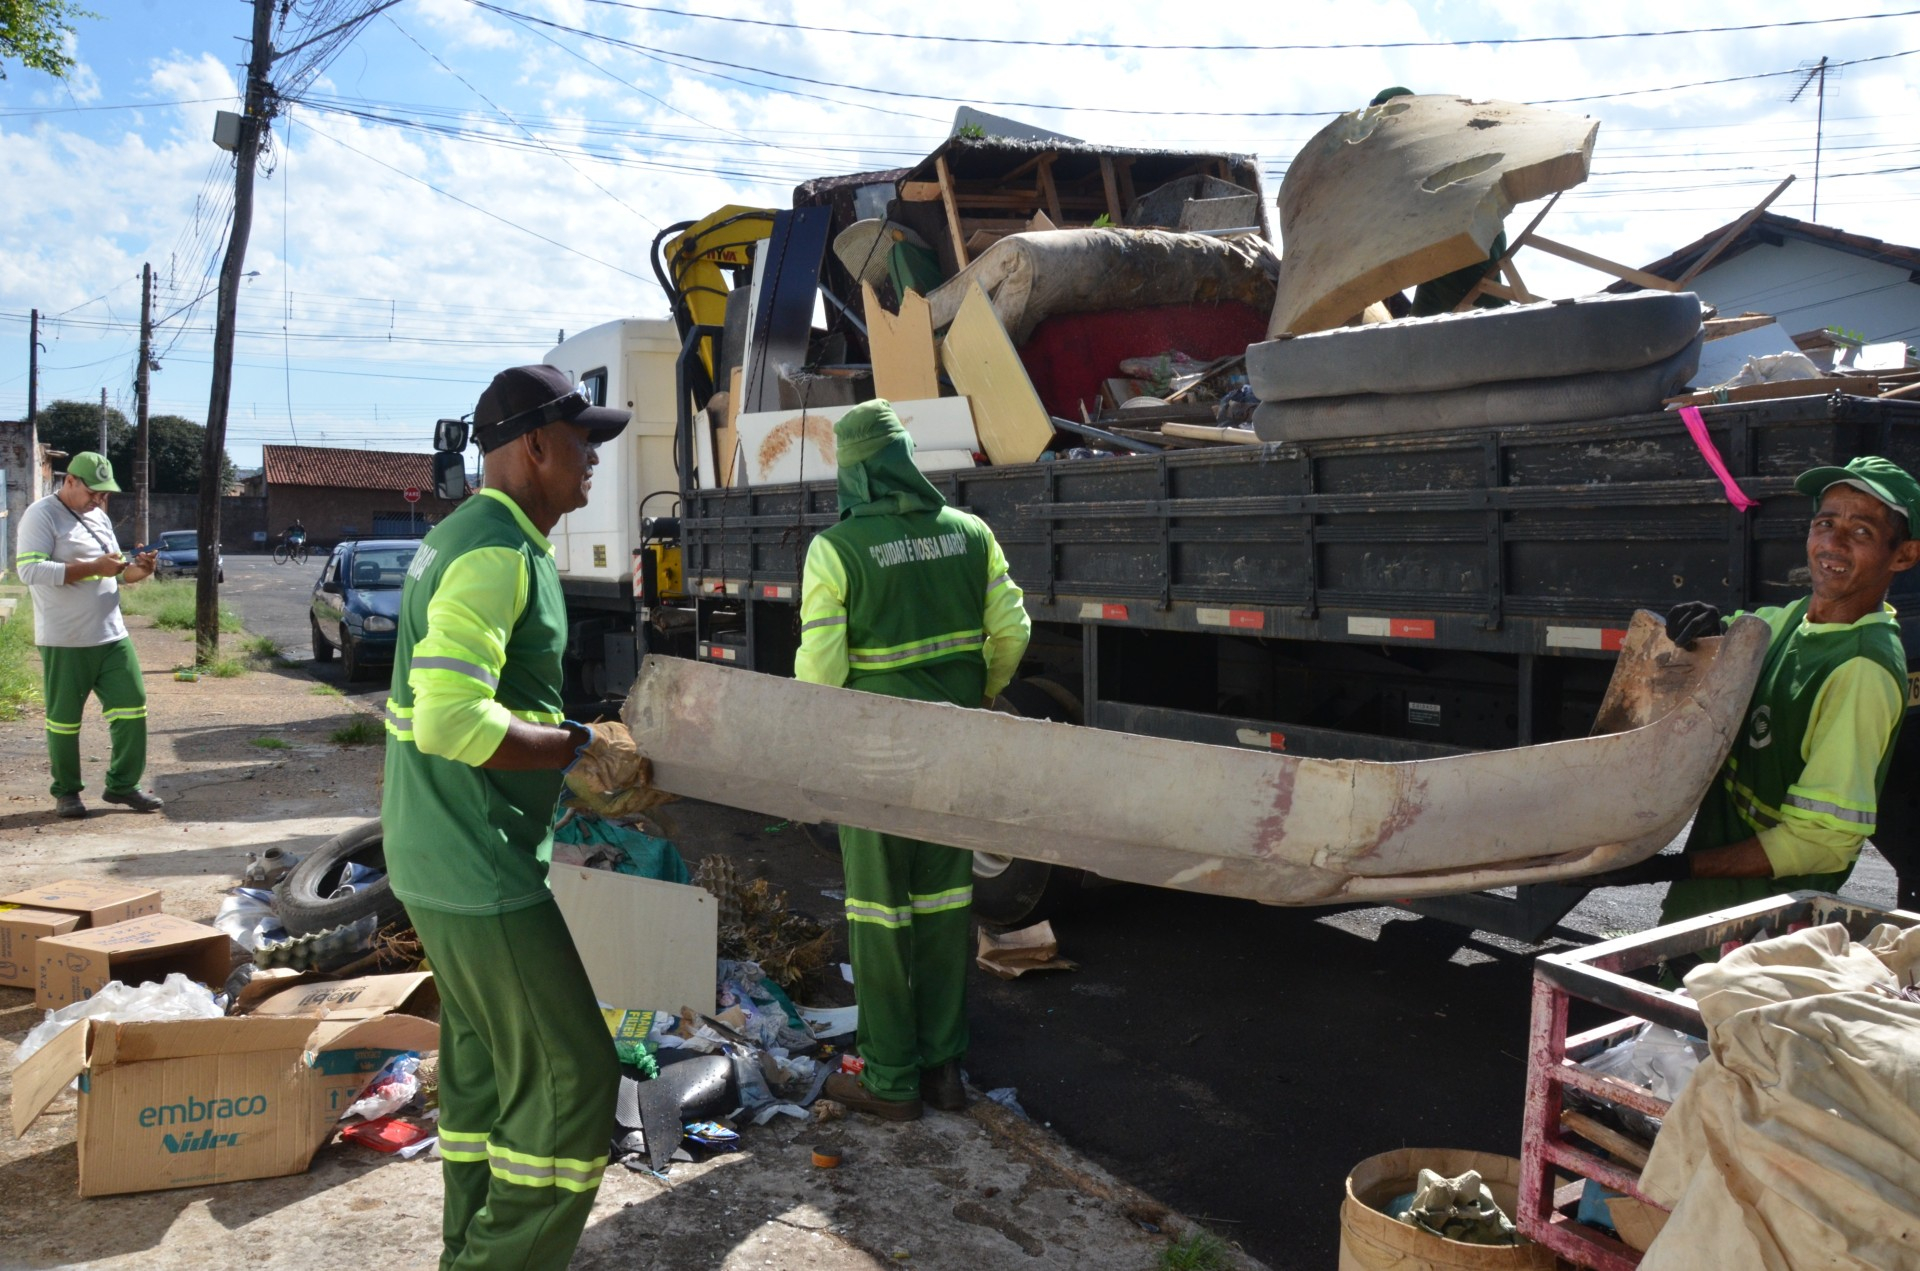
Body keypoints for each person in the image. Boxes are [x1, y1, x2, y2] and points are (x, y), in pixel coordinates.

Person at [381, 364, 637, 1270]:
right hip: (476, 859)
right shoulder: (494, 550)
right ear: (532, 444)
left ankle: (469, 1248)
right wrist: (575, 745)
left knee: (486, 1074)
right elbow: (453, 719)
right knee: (574, 1082)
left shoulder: (471, 537)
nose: (595, 459)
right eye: (583, 441)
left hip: (439, 847)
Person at [794, 400, 1032, 1120]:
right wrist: (978, 688)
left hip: (875, 764)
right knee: (943, 911)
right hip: (951, 755)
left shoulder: (835, 550)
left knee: (879, 916)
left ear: (855, 472)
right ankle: (945, 1071)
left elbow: (821, 672)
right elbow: (1012, 630)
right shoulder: (971, 535)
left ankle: (892, 1078)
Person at [1597, 456, 1919, 924]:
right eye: (1824, 523)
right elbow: (1734, 636)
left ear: (1904, 555)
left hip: (1764, 926)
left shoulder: (1860, 669)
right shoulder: (1790, 622)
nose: (1833, 543)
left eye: (1862, 532)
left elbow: (1821, 843)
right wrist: (1708, 628)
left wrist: (1672, 867)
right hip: (1709, 910)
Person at [14, 452, 162, 819]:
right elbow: (29, 570)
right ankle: (67, 793)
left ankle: (123, 786)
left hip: (111, 635)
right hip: (65, 638)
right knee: (64, 720)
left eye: (104, 493)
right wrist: (92, 567)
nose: (99, 499)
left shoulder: (100, 517)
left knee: (132, 708)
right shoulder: (41, 514)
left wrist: (137, 571)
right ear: (70, 482)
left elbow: (114, 573)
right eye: (94, 491)